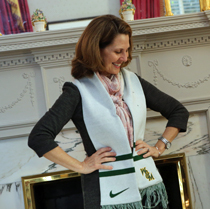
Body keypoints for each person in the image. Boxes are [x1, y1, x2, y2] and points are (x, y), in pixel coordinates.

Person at [28, 15, 189, 209]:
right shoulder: (77, 91)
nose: (125, 58)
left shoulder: (133, 82)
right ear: (97, 51)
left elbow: (178, 111)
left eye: (127, 50)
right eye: (118, 51)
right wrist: (81, 166)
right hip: (103, 192)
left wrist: (159, 146)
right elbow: (39, 137)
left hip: (144, 184)